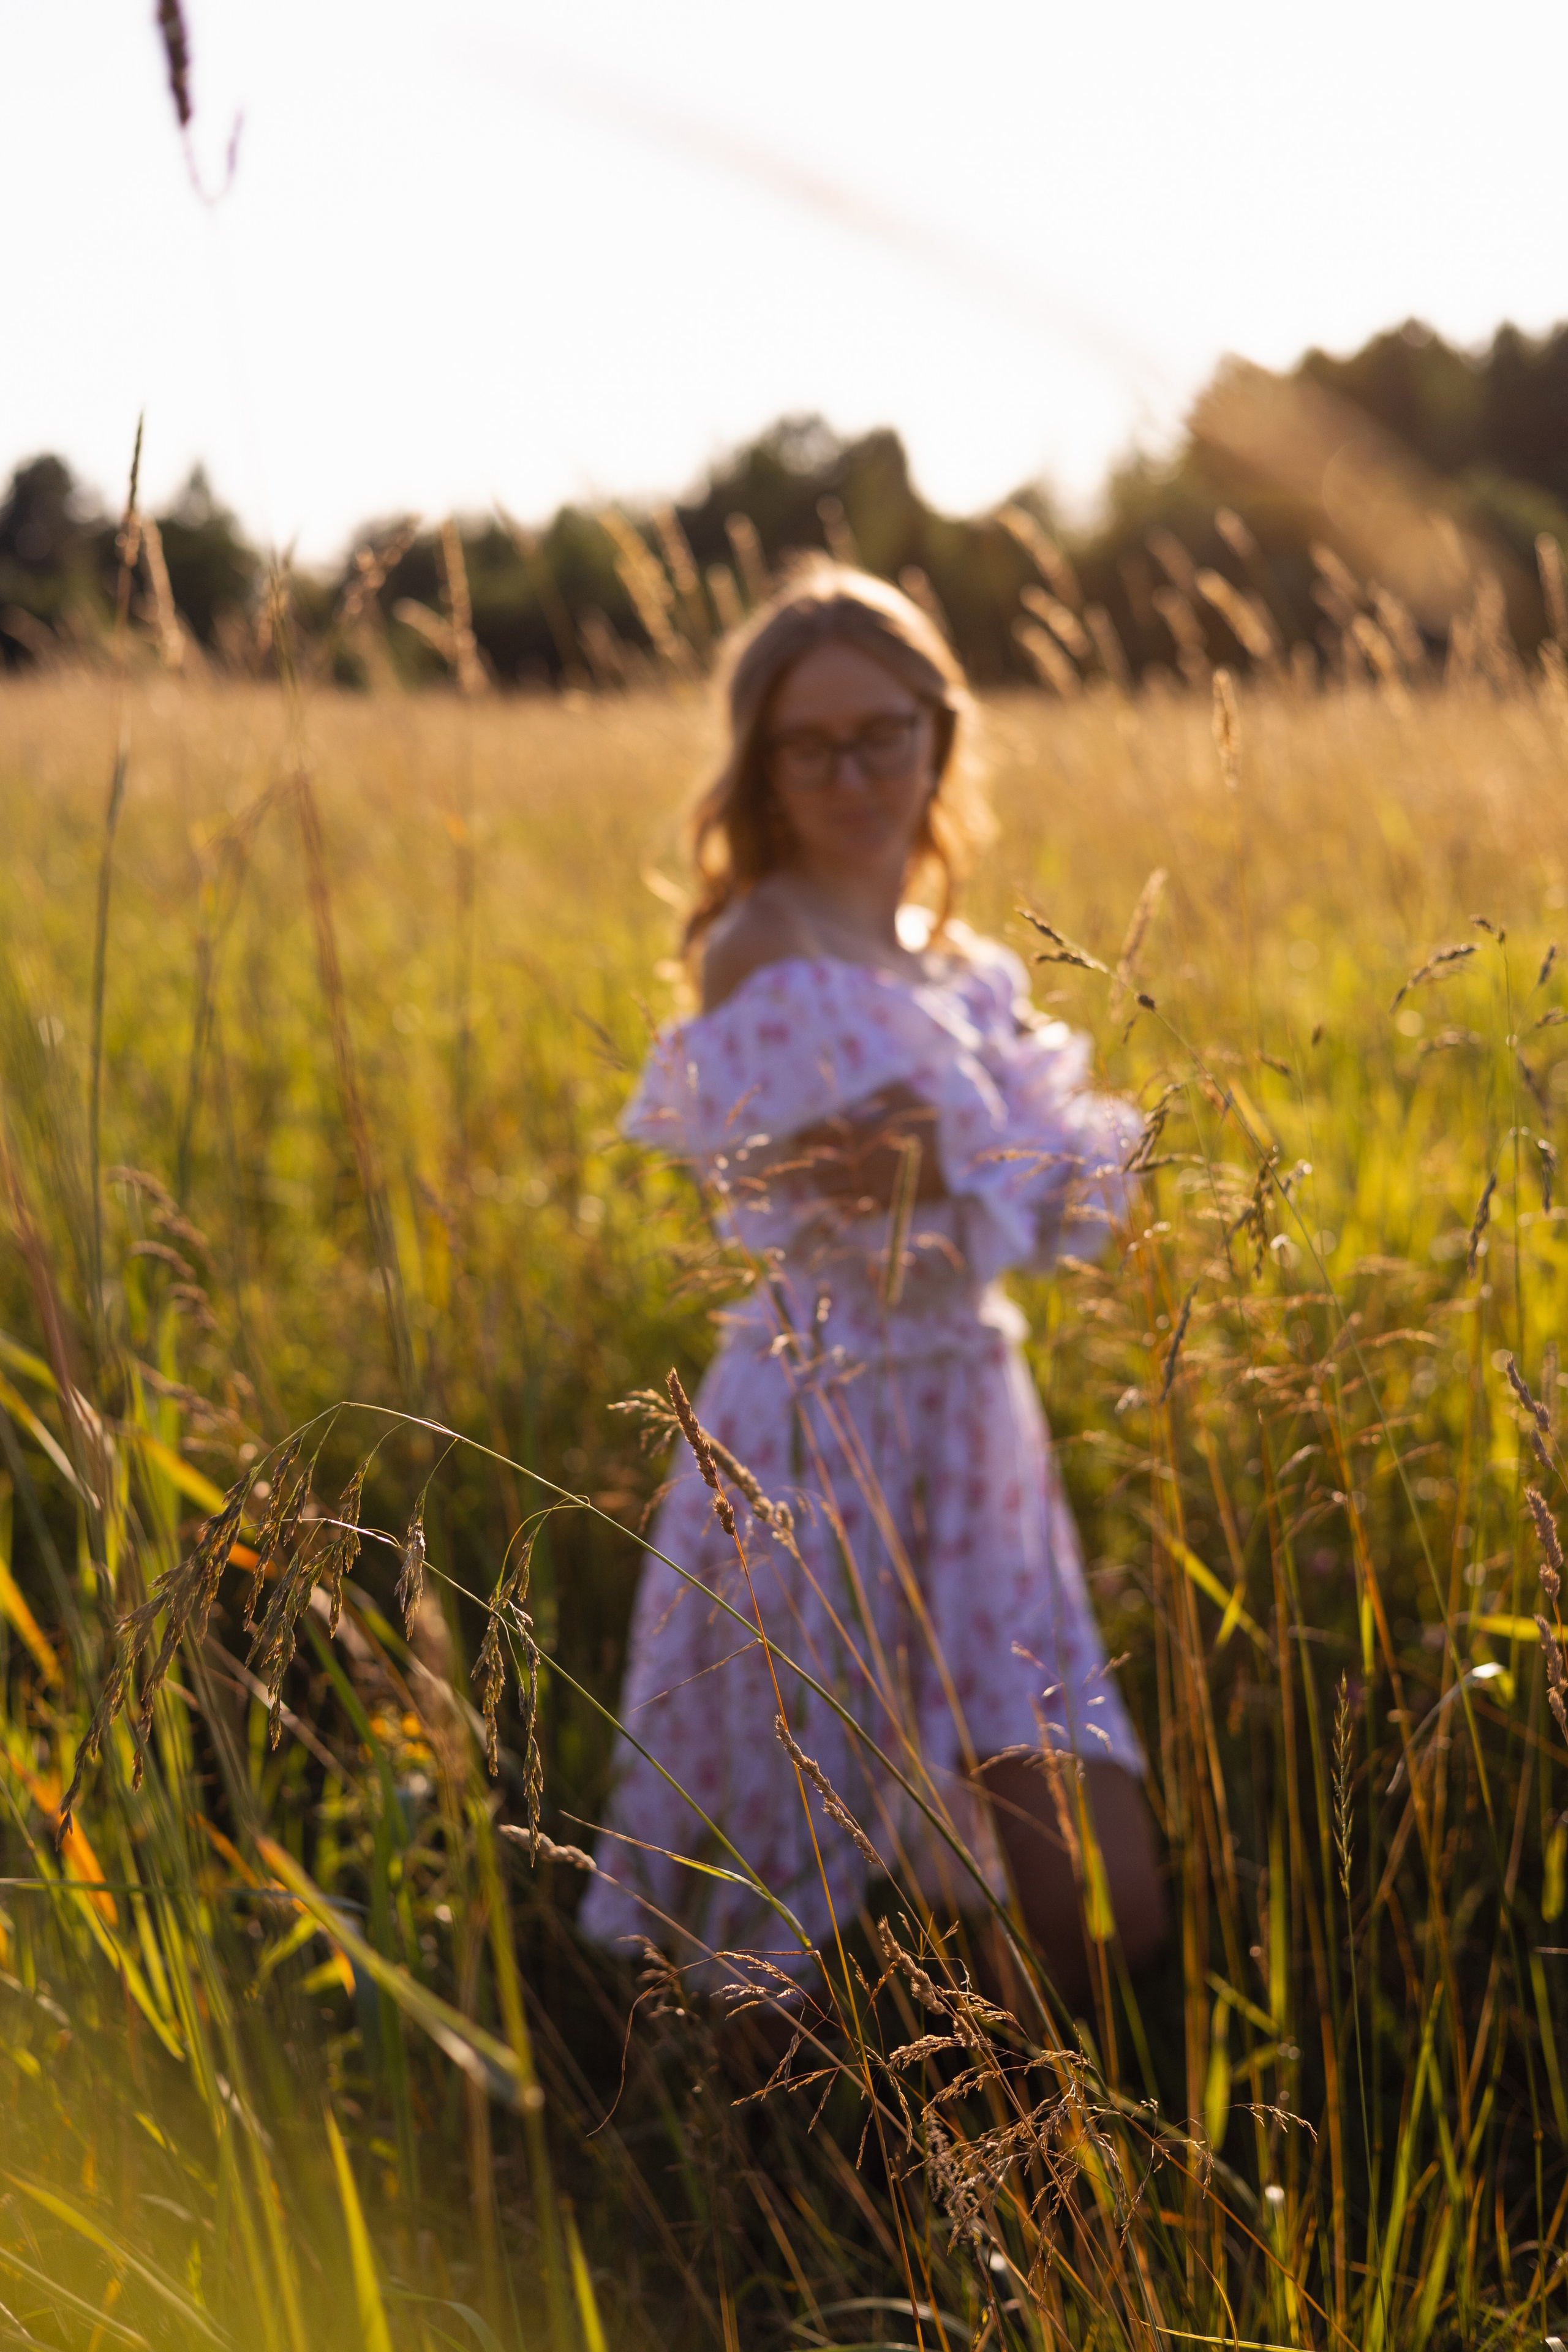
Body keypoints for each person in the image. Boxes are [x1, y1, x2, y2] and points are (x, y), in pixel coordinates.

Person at [579, 562, 1166, 2011]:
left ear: (938, 733)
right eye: (810, 744)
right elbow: (895, 1178)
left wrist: (979, 1173)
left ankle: (1036, 2158)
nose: (852, 772)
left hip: (976, 1430)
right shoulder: (760, 948)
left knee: (1104, 1905)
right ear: (761, 767)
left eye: (881, 734)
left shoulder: (969, 973)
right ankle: (769, 2206)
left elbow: (1011, 1189)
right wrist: (993, 1173)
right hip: (815, 1427)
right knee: (775, 1877)